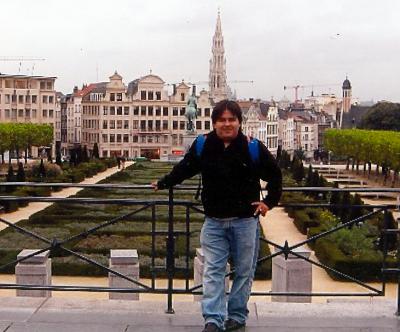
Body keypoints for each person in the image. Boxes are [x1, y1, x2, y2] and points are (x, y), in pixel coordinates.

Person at [153, 100, 282, 332]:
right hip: (213, 222)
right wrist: (164, 183)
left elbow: (276, 175)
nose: (226, 124)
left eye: (231, 119)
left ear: (239, 123)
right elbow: (185, 168)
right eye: (222, 120)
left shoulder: (252, 147)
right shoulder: (204, 144)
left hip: (245, 221)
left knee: (243, 272)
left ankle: (236, 316)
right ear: (214, 123)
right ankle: (213, 319)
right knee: (213, 270)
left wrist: (268, 203)